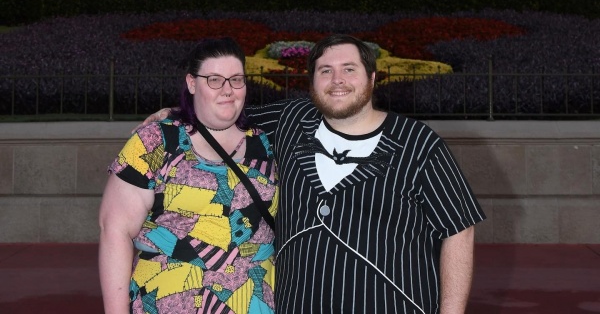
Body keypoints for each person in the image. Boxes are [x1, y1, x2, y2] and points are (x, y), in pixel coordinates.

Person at [144, 34, 485, 314]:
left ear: (372, 78)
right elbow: (224, 113)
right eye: (325, 71)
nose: (337, 80)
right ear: (312, 82)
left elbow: (459, 229)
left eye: (349, 69)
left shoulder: (419, 144)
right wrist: (176, 114)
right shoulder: (292, 120)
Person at [99, 37, 278, 314]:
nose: (228, 90)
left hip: (255, 301)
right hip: (167, 301)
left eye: (236, 79)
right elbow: (115, 231)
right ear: (192, 83)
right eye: (215, 80)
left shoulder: (269, 144)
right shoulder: (156, 141)